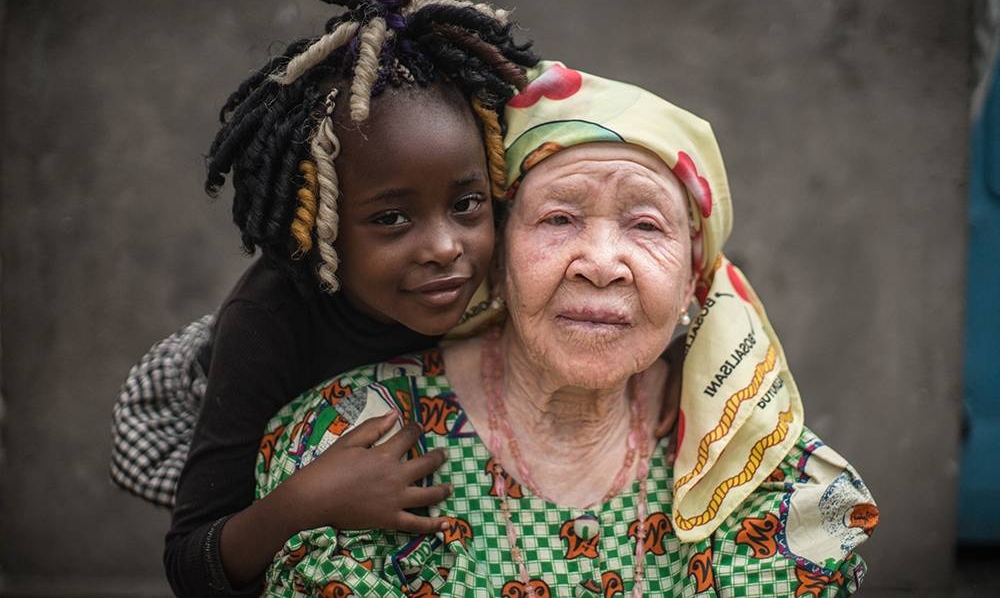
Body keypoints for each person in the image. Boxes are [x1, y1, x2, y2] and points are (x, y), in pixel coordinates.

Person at [252, 61, 879, 597]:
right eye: (558, 218)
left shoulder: (763, 474)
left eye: (646, 225)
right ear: (497, 256)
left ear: (694, 276)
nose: (603, 265)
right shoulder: (358, 437)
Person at [113, 0, 541, 596]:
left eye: (465, 204)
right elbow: (191, 563)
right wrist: (305, 500)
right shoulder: (270, 322)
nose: (445, 247)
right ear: (319, 229)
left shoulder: (513, 264)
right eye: (392, 219)